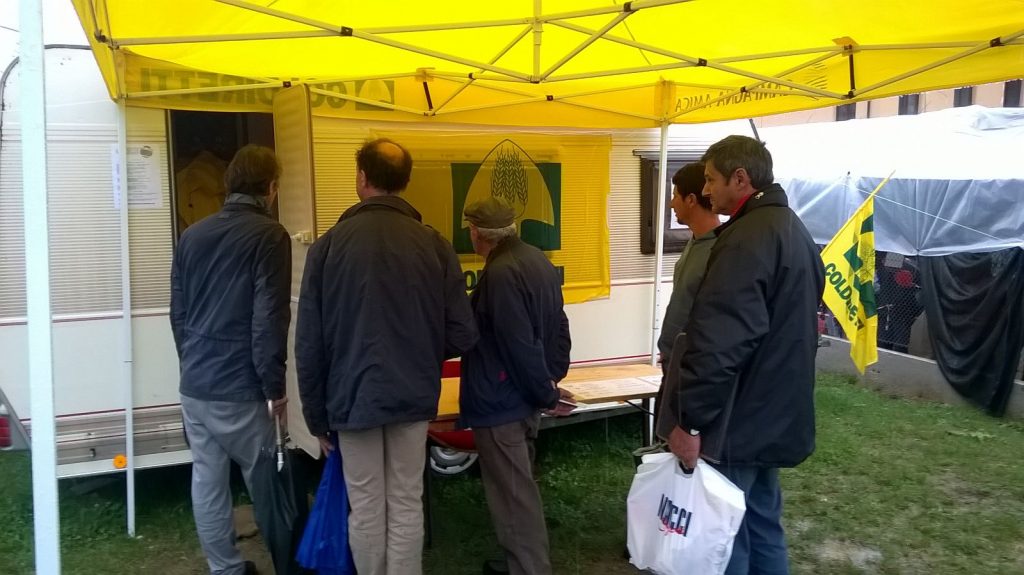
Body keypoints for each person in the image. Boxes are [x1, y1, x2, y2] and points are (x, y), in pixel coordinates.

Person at [295, 138, 478, 575]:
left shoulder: (327, 247)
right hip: (412, 395)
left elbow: (309, 344)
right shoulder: (434, 245)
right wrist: (419, 352)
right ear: (405, 182)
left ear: (362, 178)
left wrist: (316, 418)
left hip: (350, 398)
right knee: (406, 499)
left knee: (365, 505)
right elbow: (462, 333)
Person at [664, 135, 825, 575]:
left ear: (740, 178)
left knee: (725, 535)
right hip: (776, 411)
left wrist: (690, 421)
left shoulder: (745, 239)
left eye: (711, 179)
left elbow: (720, 341)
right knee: (762, 523)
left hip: (739, 416)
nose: (706, 190)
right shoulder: (794, 229)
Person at [170, 145, 295, 575]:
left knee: (207, 479)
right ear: (271, 188)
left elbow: (178, 313)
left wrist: (190, 361)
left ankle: (225, 568)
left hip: (196, 382)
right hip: (240, 385)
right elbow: (269, 318)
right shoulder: (269, 236)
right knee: (266, 480)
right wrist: (275, 388)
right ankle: (288, 566)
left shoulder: (192, 235)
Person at [458, 196, 574, 575]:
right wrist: (551, 377)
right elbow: (559, 324)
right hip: (522, 398)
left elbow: (517, 344)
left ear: (476, 233)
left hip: (502, 403)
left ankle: (529, 567)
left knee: (514, 498)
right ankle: (519, 562)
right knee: (517, 490)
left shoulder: (501, 274)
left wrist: (546, 392)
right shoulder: (537, 260)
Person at [653, 162, 719, 436]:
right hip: (672, 363)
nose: (671, 203)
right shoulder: (695, 242)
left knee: (679, 442)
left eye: (675, 195)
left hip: (691, 369)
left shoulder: (719, 249)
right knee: (663, 440)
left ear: (691, 199)